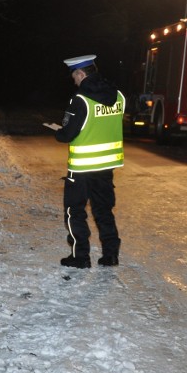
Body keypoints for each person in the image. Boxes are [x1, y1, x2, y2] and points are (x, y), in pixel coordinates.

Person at [49, 54, 125, 268]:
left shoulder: (80, 100)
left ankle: (80, 257)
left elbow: (67, 134)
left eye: (74, 76)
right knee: (103, 210)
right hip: (106, 167)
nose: (74, 81)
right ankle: (111, 255)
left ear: (81, 74)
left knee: (75, 211)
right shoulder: (118, 96)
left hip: (81, 168)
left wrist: (58, 132)